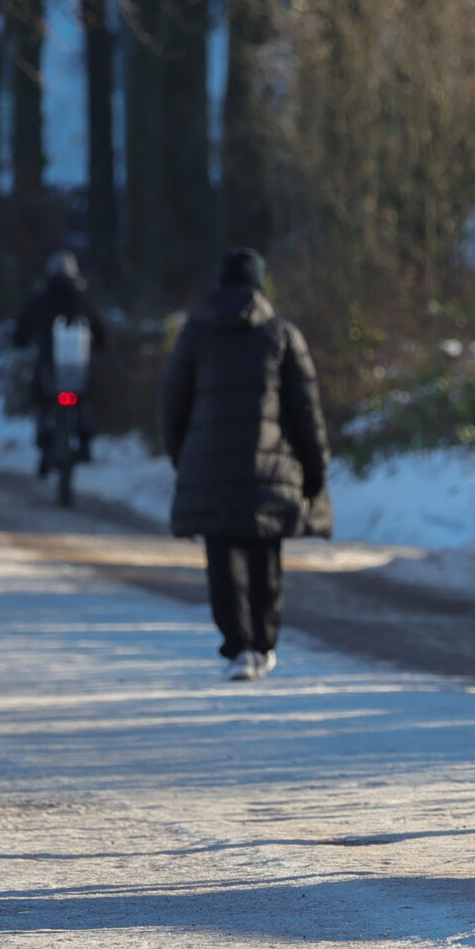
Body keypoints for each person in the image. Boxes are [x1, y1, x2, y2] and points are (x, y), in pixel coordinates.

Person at [159, 249, 331, 682]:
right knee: (264, 557)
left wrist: (183, 457)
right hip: (270, 472)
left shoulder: (195, 334)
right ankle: (264, 643)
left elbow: (171, 402)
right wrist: (315, 467)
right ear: (259, 285)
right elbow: (305, 407)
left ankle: (238, 646)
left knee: (222, 559)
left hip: (211, 469)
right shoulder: (281, 334)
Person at [14, 251, 107, 474]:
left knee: (41, 399)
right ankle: (84, 441)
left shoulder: (41, 296)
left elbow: (21, 332)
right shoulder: (82, 296)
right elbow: (99, 328)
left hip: (48, 364)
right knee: (84, 398)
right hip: (76, 365)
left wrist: (20, 340)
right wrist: (99, 345)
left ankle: (45, 445)